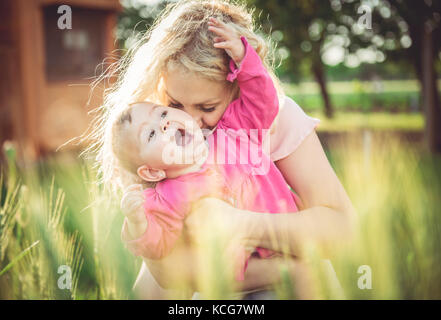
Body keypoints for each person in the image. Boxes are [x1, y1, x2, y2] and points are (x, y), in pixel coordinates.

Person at [92, 0, 356, 299]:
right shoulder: (144, 132)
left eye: (207, 107)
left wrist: (245, 225)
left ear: (236, 87)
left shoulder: (263, 119)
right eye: (175, 104)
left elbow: (342, 228)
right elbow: (167, 269)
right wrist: (292, 271)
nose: (188, 121)